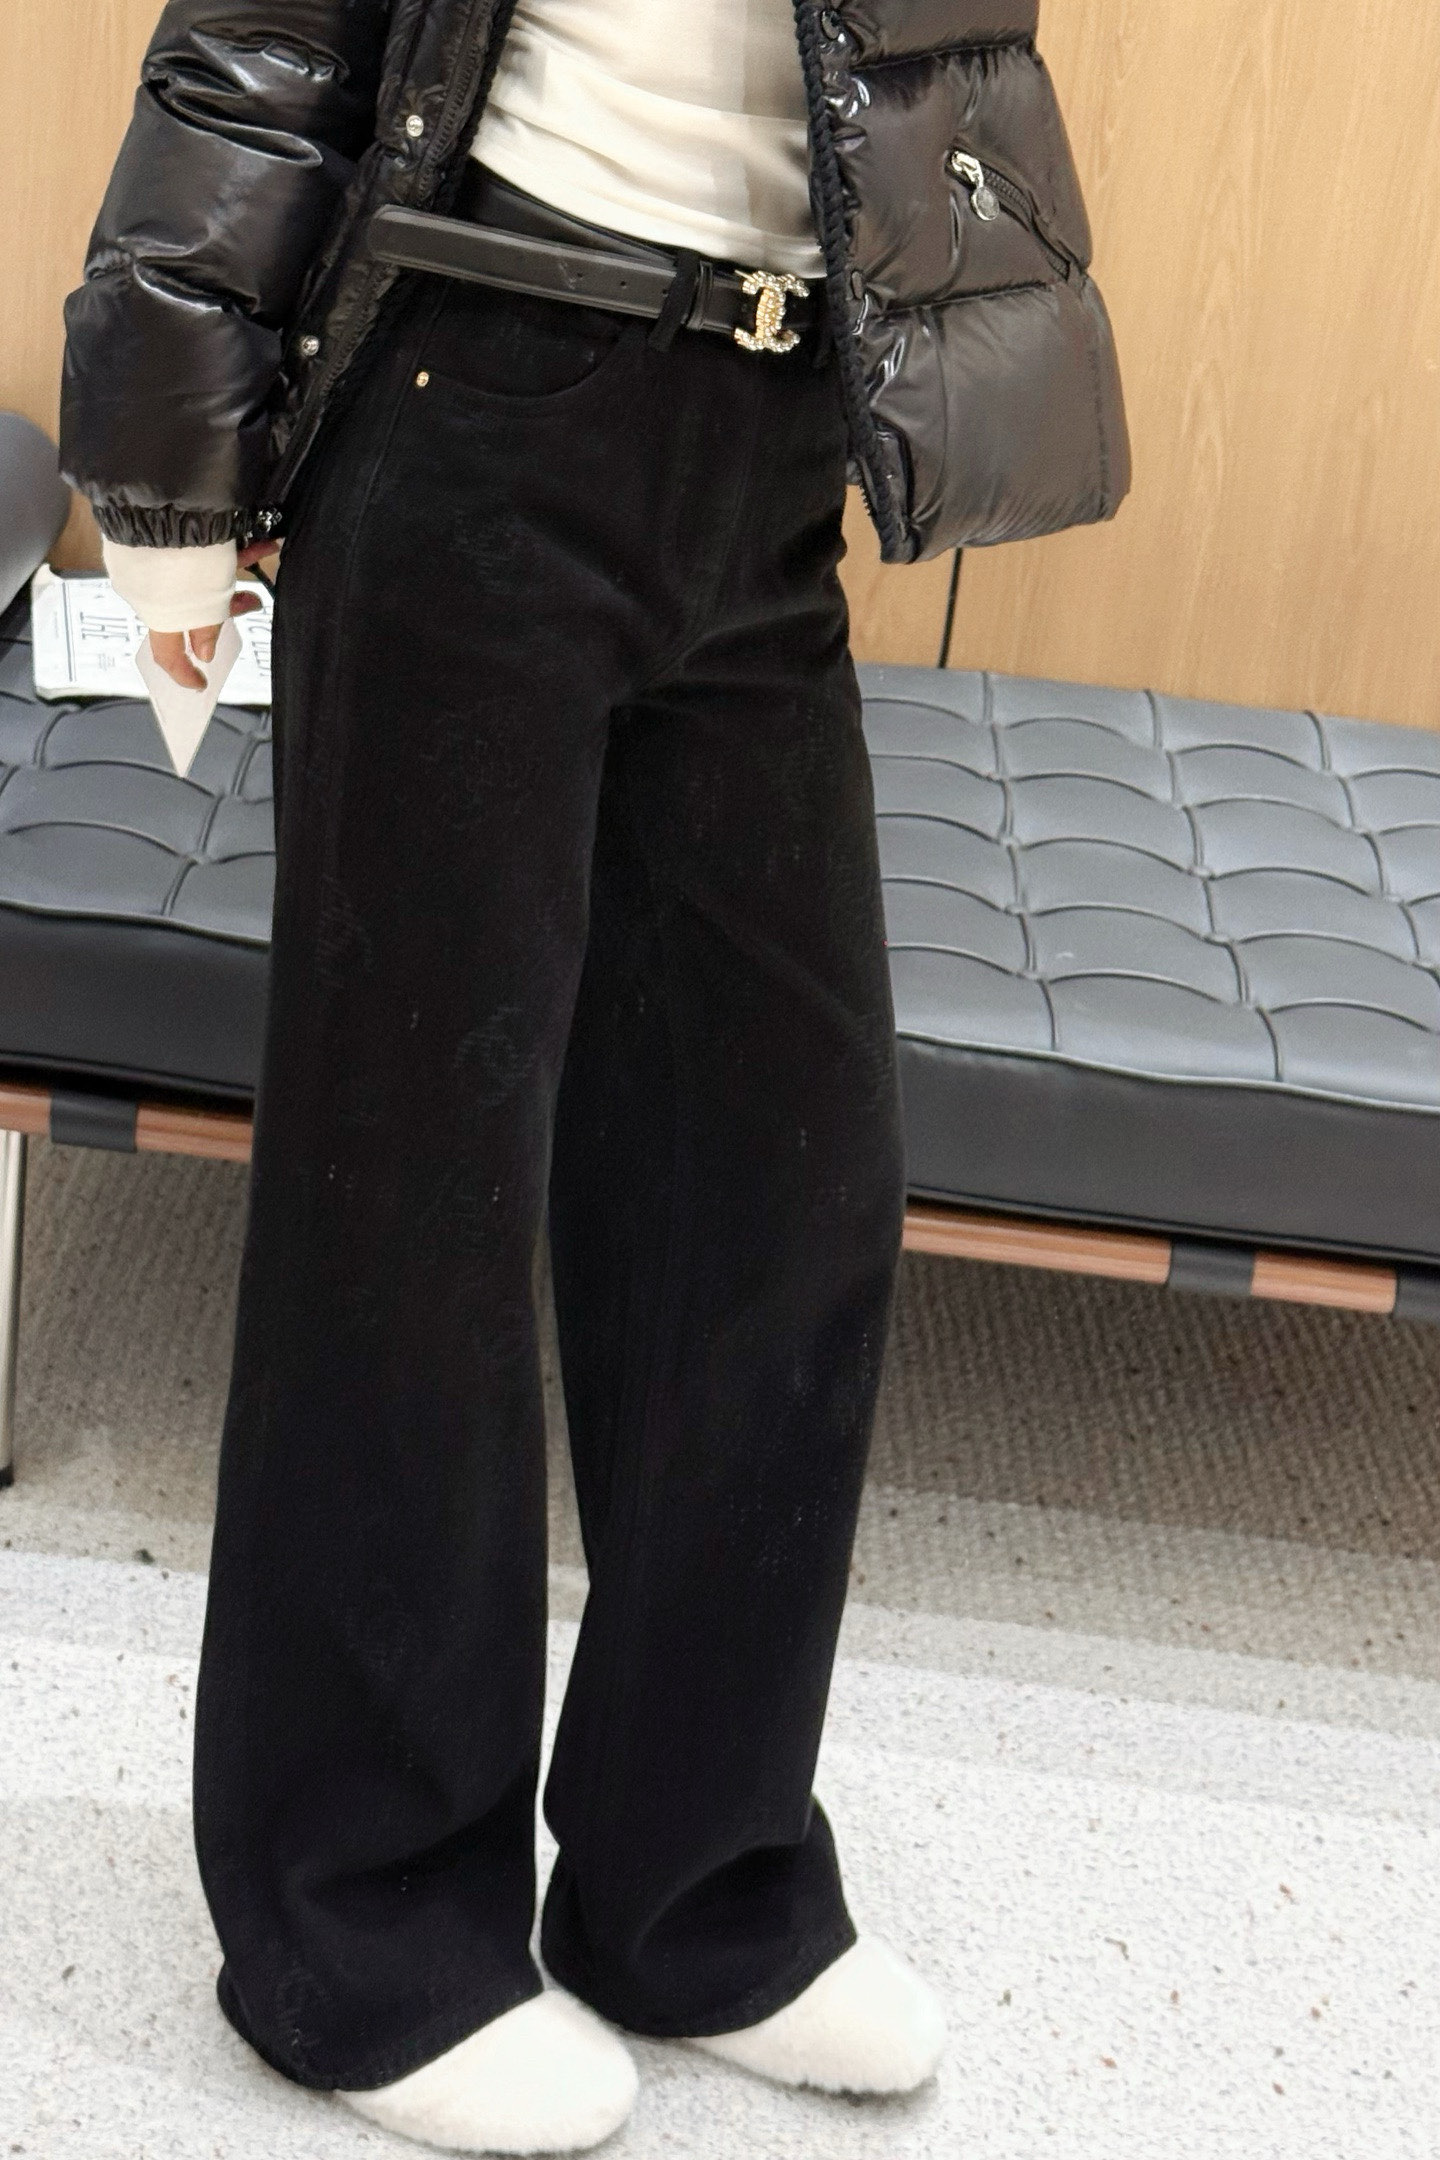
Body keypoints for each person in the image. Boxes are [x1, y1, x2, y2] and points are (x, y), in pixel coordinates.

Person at [59, 2, 1124, 2151]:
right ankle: (364, 1927)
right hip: (482, 377)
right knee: (412, 1198)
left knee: (784, 1192)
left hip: (773, 428)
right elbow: (258, 40)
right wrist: (169, 459)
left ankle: (692, 1886)